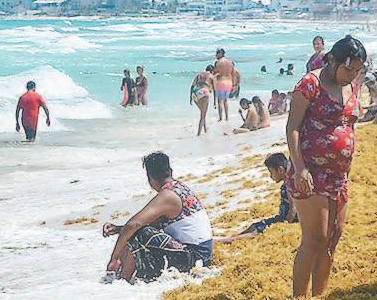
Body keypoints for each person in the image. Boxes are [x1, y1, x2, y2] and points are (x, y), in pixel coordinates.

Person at [286, 35, 366, 297]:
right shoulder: (310, 83)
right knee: (315, 238)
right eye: (348, 70)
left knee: (333, 237)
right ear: (332, 60)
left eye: (357, 71)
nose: (352, 75)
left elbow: (349, 125)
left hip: (339, 175)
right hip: (310, 171)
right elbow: (293, 127)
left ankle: (318, 298)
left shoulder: (351, 85)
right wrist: (300, 168)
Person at [101, 152, 213, 283]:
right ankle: (121, 277)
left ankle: (121, 281)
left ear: (150, 178)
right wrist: (118, 229)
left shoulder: (167, 196)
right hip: (202, 255)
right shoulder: (179, 188)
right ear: (170, 171)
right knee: (134, 231)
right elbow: (151, 224)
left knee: (137, 232)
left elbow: (134, 224)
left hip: (194, 259)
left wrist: (114, 258)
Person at [216, 153, 297, 242]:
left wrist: (284, 224)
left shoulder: (289, 185)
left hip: (287, 220)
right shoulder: (287, 183)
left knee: (256, 232)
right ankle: (231, 238)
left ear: (280, 170)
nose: (270, 176)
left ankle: (226, 240)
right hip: (281, 217)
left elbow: (293, 209)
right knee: (254, 226)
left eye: (271, 172)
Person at [211, 49, 240, 124]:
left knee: (219, 101)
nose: (216, 55)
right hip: (229, 83)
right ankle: (227, 117)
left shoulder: (218, 62)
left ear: (220, 53)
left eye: (217, 53)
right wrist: (234, 85)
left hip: (221, 82)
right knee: (225, 101)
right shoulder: (230, 62)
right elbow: (233, 74)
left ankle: (220, 118)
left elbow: (215, 72)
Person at [190, 69, 213, 136]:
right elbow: (214, 89)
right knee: (203, 115)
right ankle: (198, 134)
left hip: (195, 93)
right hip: (204, 92)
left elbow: (192, 86)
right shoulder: (211, 76)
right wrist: (215, 101)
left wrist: (190, 98)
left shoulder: (199, 75)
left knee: (203, 113)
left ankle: (205, 130)